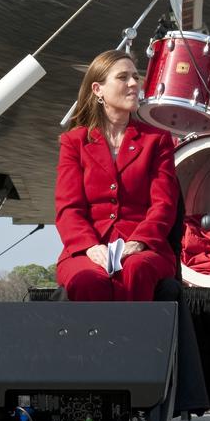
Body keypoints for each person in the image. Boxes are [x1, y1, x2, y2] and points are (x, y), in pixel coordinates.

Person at [55, 49, 180, 300]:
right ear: (98, 90)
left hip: (145, 247)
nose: (134, 83)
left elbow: (164, 205)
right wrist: (90, 247)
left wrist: (139, 242)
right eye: (123, 77)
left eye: (135, 76)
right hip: (86, 248)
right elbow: (69, 209)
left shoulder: (157, 140)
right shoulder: (74, 142)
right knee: (88, 280)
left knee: (136, 269)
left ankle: (136, 340)